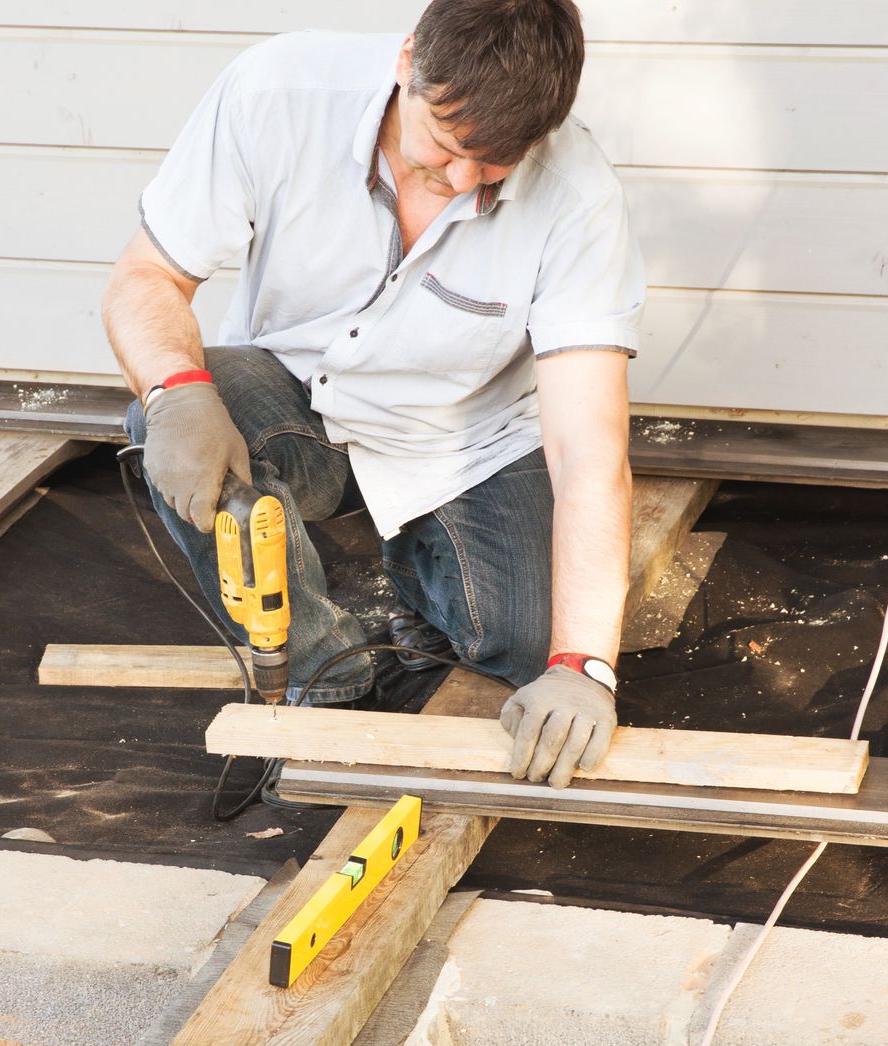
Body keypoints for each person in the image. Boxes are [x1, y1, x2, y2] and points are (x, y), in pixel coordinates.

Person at [105, 0, 643, 789]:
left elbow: (588, 449)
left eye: (494, 163)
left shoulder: (578, 196)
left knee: (531, 657)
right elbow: (147, 277)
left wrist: (583, 663)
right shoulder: (275, 94)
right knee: (172, 424)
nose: (462, 181)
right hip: (295, 397)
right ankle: (325, 673)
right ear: (407, 61)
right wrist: (176, 393)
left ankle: (423, 619)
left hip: (462, 437)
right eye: (445, 145)